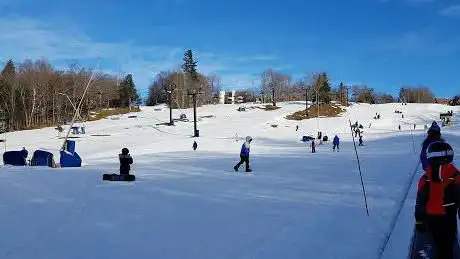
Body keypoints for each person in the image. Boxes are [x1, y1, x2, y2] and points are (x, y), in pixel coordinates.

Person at [415, 141, 460, 259]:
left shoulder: (425, 178)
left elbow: (420, 202)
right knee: (447, 244)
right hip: (449, 216)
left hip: (432, 217)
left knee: (438, 241)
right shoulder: (456, 176)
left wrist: (419, 219)